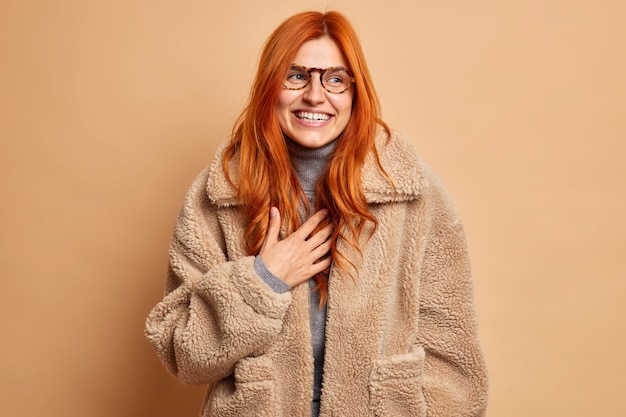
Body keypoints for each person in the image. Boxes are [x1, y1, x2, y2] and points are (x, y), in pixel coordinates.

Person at [145, 10, 488, 417]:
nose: (314, 95)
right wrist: (263, 280)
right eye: (296, 76)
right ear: (271, 86)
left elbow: (454, 360)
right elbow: (182, 353)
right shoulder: (219, 192)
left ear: (354, 93)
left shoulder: (409, 190)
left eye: (335, 79)